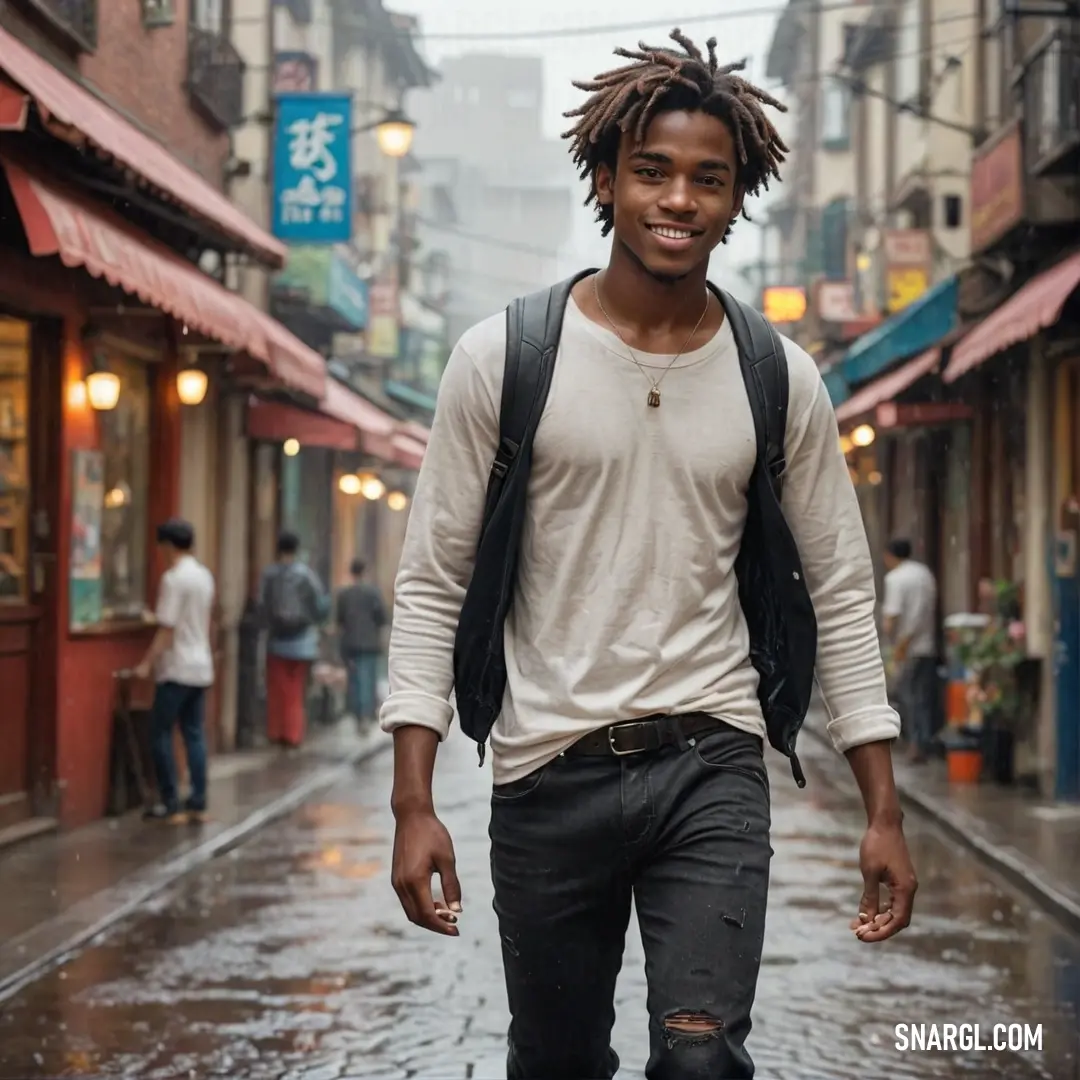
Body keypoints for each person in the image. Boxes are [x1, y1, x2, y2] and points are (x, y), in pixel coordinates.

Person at [382, 29, 917, 1080]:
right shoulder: (504, 360)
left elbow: (844, 597)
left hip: (710, 761)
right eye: (653, 172)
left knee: (705, 1058)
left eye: (707, 180)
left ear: (737, 196)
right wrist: (412, 801)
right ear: (605, 179)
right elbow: (432, 582)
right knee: (559, 1061)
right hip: (546, 772)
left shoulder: (780, 377)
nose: (679, 199)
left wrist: (884, 810)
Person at [135, 518, 215, 825]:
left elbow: (166, 629)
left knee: (159, 734)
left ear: (168, 546)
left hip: (177, 667)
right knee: (194, 734)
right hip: (201, 665)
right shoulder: (204, 576)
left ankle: (171, 803)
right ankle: (198, 801)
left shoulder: (173, 579)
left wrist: (146, 663)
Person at [259, 531, 328, 749]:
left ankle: (277, 732)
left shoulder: (269, 575)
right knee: (296, 690)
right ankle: (294, 734)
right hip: (302, 643)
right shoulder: (306, 575)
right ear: (297, 550)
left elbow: (262, 604)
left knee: (277, 689)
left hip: (277, 642)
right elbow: (320, 605)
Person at [882, 538, 939, 763]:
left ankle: (915, 745)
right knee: (924, 698)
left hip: (906, 648)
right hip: (927, 645)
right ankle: (925, 741)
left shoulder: (895, 578)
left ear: (890, 556)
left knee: (908, 697)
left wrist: (894, 645)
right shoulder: (924, 574)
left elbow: (892, 616)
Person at [336, 558, 388, 725]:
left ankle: (358, 713)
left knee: (355, 678)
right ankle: (367, 712)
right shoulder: (373, 593)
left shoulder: (344, 594)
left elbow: (339, 619)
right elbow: (382, 617)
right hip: (370, 643)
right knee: (368, 678)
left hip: (351, 643)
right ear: (365, 572)